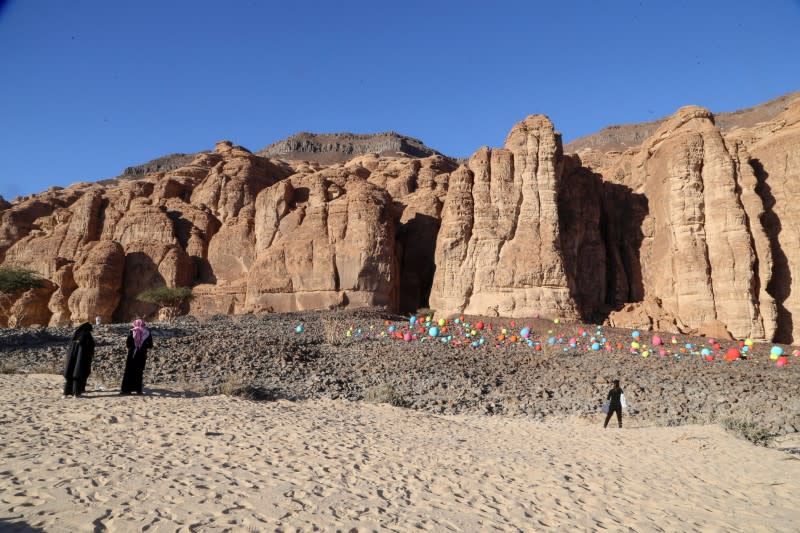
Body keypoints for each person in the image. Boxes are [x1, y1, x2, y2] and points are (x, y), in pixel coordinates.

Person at [120, 319, 153, 395]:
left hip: (132, 355)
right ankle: (138, 390)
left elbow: (128, 344)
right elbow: (150, 345)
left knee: (129, 372)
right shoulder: (147, 333)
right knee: (139, 372)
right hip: (142, 355)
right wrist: (143, 346)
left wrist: (134, 346)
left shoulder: (132, 331)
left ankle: (126, 390)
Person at [63, 322, 95, 397]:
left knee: (70, 373)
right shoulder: (87, 335)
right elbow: (90, 347)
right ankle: (76, 394)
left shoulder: (75, 335)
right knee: (78, 374)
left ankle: (66, 393)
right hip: (81, 359)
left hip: (71, 359)